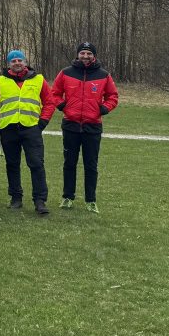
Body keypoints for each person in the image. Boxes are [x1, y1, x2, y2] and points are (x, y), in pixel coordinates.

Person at [51, 42, 119, 213]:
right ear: (78, 54)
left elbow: (113, 96)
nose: (85, 56)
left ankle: (91, 200)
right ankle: (67, 197)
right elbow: (54, 93)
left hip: (93, 126)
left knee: (91, 165)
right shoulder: (66, 72)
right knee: (69, 163)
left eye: (89, 53)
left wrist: (103, 109)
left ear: (94, 56)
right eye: (83, 53)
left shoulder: (103, 75)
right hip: (71, 125)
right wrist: (63, 106)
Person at [0, 49, 56, 216]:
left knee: (36, 164)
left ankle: (40, 201)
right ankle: (15, 198)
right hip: (8, 128)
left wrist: (43, 122)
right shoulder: (0, 81)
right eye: (13, 61)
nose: (17, 63)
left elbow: (49, 102)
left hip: (31, 128)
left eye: (20, 60)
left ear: (25, 62)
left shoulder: (38, 79)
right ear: (8, 64)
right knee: (12, 164)